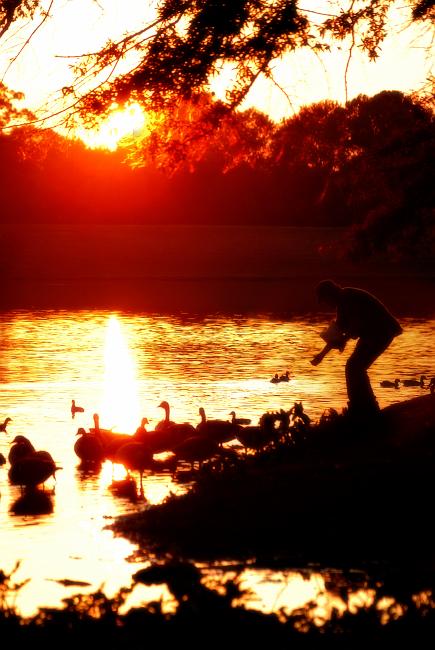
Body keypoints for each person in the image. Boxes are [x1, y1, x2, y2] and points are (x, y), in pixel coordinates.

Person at [312, 280, 402, 420]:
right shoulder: (342, 303)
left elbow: (357, 324)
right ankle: (361, 406)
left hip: (382, 331)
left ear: (330, 294)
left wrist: (344, 338)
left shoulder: (349, 297)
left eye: (324, 300)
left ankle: (366, 407)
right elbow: (337, 332)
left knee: (355, 367)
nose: (326, 304)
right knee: (354, 367)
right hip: (370, 334)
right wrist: (321, 355)